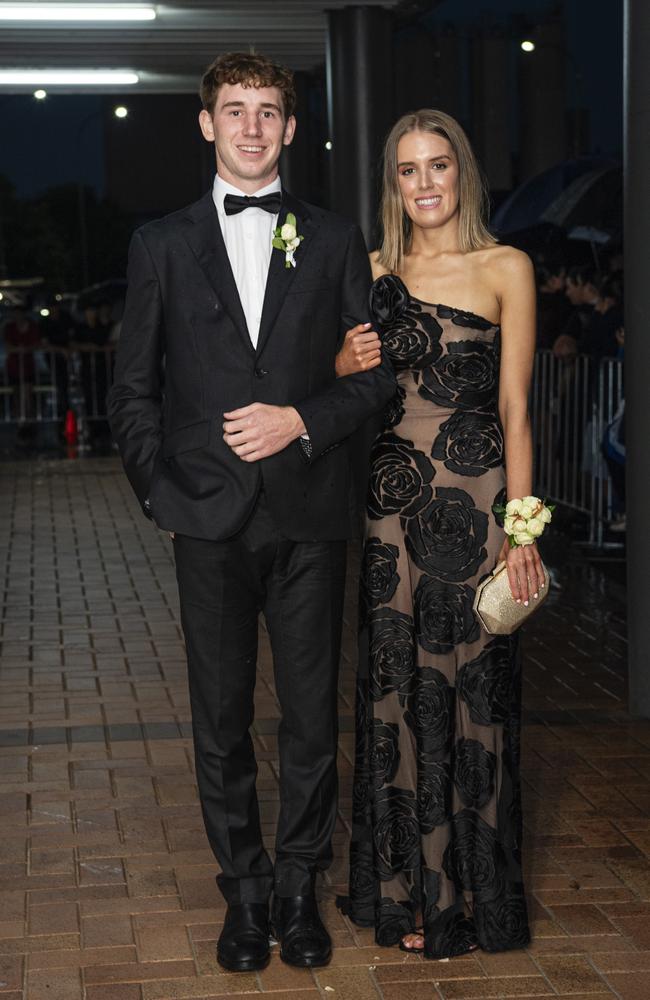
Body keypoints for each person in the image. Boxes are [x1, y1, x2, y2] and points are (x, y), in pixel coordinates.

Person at [108, 51, 395, 974]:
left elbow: (377, 379)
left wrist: (301, 419)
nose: (250, 127)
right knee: (220, 720)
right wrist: (158, 490)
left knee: (310, 722)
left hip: (310, 514)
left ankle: (298, 888)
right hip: (207, 520)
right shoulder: (159, 245)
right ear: (206, 124)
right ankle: (244, 889)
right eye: (234, 110)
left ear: (290, 127)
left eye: (267, 111)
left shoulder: (336, 237)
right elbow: (133, 390)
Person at [339, 109, 544, 959]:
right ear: (392, 183)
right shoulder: (373, 271)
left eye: (438, 167)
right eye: (407, 170)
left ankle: (468, 903)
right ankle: (407, 899)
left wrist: (523, 530)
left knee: (472, 699)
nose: (424, 184)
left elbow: (516, 410)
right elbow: (342, 387)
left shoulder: (507, 267)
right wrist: (344, 364)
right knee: (397, 700)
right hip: (392, 511)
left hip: (479, 497)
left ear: (462, 173)